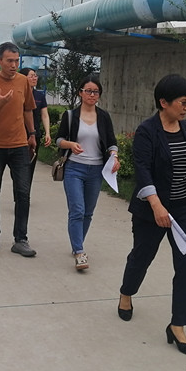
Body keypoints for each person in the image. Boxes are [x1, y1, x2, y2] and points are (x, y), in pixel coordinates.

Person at [118, 74, 186, 356]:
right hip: (151, 211)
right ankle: (126, 292)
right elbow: (142, 169)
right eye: (182, 102)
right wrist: (156, 204)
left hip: (183, 210)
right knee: (141, 257)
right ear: (164, 102)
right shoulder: (147, 131)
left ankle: (178, 325)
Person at [0, 42, 38, 257]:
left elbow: (28, 109)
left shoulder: (23, 81)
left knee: (23, 192)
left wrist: (32, 134)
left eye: (16, 61)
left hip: (19, 145)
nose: (13, 65)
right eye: (9, 61)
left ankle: (21, 239)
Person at [55, 73, 119, 271]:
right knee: (77, 210)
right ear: (80, 93)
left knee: (88, 212)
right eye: (88, 91)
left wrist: (114, 156)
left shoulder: (104, 117)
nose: (92, 95)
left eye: (96, 92)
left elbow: (111, 142)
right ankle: (79, 251)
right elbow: (59, 140)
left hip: (96, 170)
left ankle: (77, 242)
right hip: (74, 168)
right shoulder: (70, 116)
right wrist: (70, 144)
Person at [20, 67, 52, 182]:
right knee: (19, 167)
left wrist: (47, 133)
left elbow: (45, 115)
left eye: (35, 76)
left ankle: (26, 191)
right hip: (19, 135)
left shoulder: (39, 96)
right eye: (31, 76)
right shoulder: (18, 94)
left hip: (34, 135)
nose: (35, 78)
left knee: (30, 165)